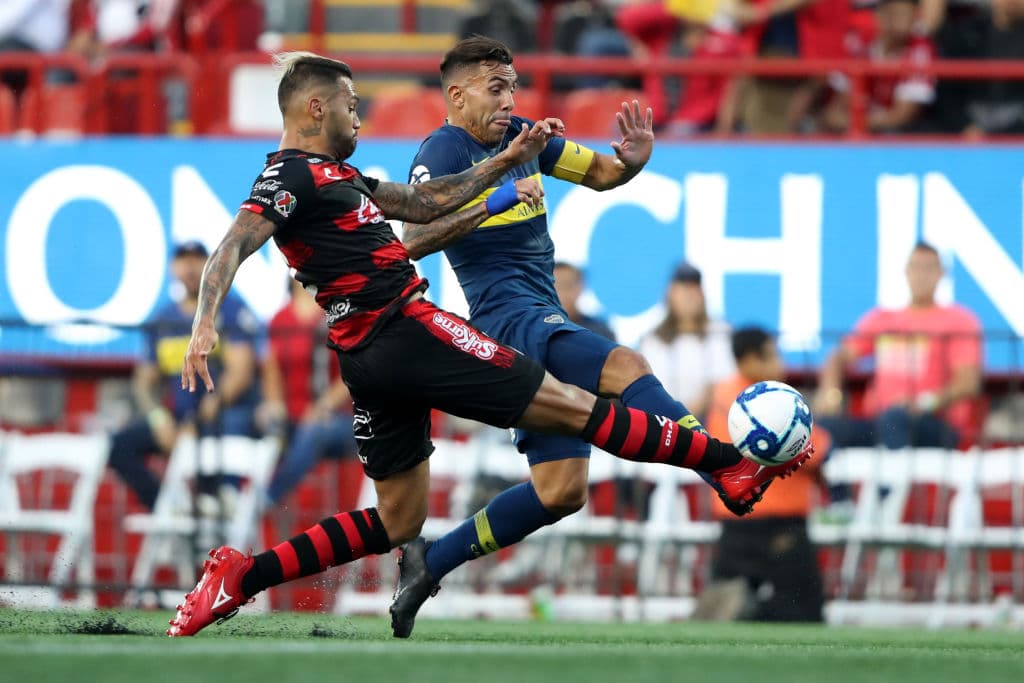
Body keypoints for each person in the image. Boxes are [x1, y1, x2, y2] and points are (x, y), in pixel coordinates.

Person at [166, 50, 810, 638]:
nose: (358, 115)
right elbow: (235, 241)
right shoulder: (293, 176)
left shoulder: (348, 179)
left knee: (402, 520)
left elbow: (420, 205)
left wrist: (508, 164)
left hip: (368, 356)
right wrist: (205, 320)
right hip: (410, 327)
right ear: (315, 107)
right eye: (350, 104)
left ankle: (240, 576)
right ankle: (724, 461)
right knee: (582, 403)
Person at [392, 36, 787, 637]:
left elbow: (601, 173)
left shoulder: (525, 138)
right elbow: (410, 240)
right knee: (626, 364)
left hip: (538, 315)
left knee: (560, 491)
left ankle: (429, 561)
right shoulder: (443, 151)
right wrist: (498, 192)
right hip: (509, 321)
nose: (509, 98)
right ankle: (722, 471)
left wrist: (632, 160)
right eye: (496, 88)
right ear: (457, 94)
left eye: (513, 86)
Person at [108, 240, 261, 512]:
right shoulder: (163, 319)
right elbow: (144, 381)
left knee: (226, 431)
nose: (190, 268)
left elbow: (241, 373)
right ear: (172, 268)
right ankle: (167, 508)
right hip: (179, 420)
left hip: (221, 414)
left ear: (211, 265)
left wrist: (200, 420)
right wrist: (159, 419)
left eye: (197, 260)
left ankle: (219, 499)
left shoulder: (231, 309)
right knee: (120, 446)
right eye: (183, 261)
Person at [695, 326, 828, 622]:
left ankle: (743, 610)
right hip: (778, 523)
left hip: (735, 521)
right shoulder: (764, 400)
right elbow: (812, 449)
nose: (780, 363)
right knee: (803, 611)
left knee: (723, 609)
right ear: (750, 360)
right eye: (773, 355)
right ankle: (750, 612)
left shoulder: (722, 395)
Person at [815, 241, 983, 450]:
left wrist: (921, 404)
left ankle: (890, 484)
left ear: (941, 274)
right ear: (906, 272)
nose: (921, 275)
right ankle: (837, 485)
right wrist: (831, 393)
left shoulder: (959, 320)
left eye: (928, 268)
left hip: (934, 423)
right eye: (916, 267)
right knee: (823, 428)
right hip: (879, 422)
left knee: (896, 419)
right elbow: (838, 358)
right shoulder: (883, 319)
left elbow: (967, 383)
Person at [258, 277, 358, 509]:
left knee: (315, 431)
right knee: (259, 423)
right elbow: (270, 368)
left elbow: (351, 374)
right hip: (291, 416)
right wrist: (273, 404)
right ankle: (229, 494)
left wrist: (324, 406)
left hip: (338, 417)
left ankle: (268, 498)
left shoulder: (338, 317)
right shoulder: (280, 319)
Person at [637, 262, 735, 422]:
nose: (688, 296)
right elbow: (648, 387)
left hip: (708, 425)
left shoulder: (719, 333)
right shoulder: (652, 339)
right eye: (683, 290)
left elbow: (722, 383)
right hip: (663, 423)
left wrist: (687, 417)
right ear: (670, 293)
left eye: (693, 289)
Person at [552, 262, 615, 341]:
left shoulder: (600, 332)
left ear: (581, 287)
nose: (561, 292)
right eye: (554, 286)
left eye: (567, 285)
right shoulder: (534, 330)